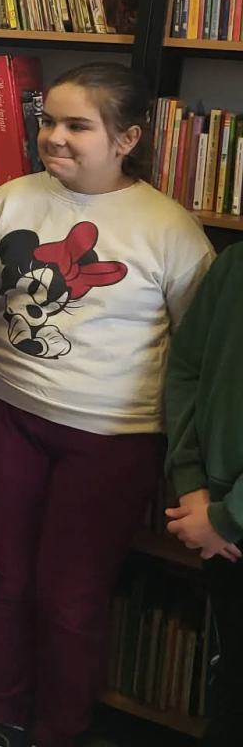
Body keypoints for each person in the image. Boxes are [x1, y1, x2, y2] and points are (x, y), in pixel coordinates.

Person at [0, 63, 213, 747]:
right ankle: (5, 714)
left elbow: (194, 346)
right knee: (8, 578)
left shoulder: (169, 229)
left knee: (70, 598)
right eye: (48, 121)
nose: (55, 137)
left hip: (112, 438)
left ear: (127, 138)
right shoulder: (8, 202)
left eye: (77, 126)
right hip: (12, 413)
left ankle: (59, 729)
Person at [164, 243, 243, 747]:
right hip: (214, 516)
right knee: (233, 675)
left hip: (226, 521)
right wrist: (192, 484)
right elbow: (186, 369)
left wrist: (229, 517)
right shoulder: (233, 265)